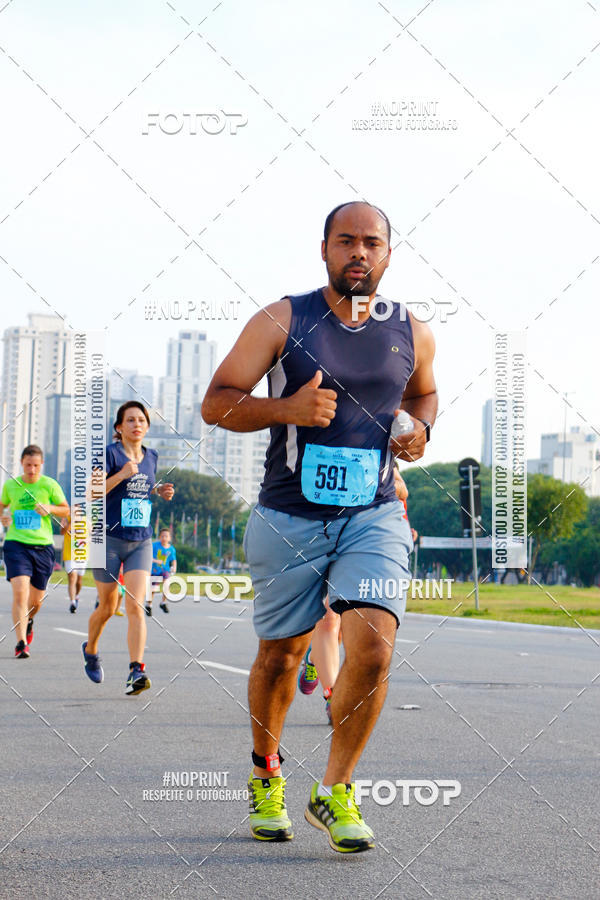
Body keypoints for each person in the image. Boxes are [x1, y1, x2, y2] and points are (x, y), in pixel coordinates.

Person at [202, 201, 437, 852]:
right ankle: (265, 774)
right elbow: (216, 403)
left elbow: (423, 394)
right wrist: (287, 408)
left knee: (375, 647)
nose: (359, 252)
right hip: (289, 517)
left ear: (387, 253)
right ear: (325, 249)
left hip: (374, 512)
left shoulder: (412, 330)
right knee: (282, 657)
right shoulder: (283, 319)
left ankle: (335, 790)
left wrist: (419, 428)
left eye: (371, 242)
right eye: (346, 240)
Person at [298, 467, 410, 725]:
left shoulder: (375, 451)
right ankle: (333, 698)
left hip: (364, 541)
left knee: (343, 621)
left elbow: (401, 490)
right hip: (320, 531)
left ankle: (314, 656)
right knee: (328, 619)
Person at [82, 401, 174, 694]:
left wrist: (159, 490)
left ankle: (136, 670)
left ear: (147, 427)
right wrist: (121, 474)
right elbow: (91, 492)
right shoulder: (109, 454)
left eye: (141, 420)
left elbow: (143, 487)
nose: (137, 424)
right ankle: (91, 649)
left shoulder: (152, 456)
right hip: (107, 540)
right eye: (130, 420)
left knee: (135, 605)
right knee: (108, 607)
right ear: (119, 427)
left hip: (140, 541)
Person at [0, 445, 69, 658]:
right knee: (20, 592)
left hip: (43, 547)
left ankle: (29, 620)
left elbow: (66, 510)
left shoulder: (49, 485)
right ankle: (21, 643)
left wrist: (51, 508)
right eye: (28, 465)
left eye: (36, 466)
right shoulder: (11, 485)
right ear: (21, 463)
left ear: (41, 465)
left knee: (35, 601)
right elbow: (1, 506)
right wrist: (3, 517)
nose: (32, 470)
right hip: (16, 544)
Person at [60, 506, 86, 613]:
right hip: (69, 554)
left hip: (81, 554)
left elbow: (93, 535)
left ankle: (77, 595)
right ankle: (72, 603)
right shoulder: (66, 520)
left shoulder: (86, 521)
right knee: (72, 577)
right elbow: (62, 532)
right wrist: (71, 522)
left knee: (79, 581)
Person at [147, 527, 177, 615]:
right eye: (162, 536)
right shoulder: (154, 545)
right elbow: (148, 556)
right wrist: (156, 561)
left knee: (167, 584)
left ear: (169, 538)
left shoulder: (171, 549)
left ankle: (163, 602)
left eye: (166, 536)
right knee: (153, 589)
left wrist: (174, 567)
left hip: (165, 570)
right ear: (159, 537)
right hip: (154, 570)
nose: (164, 538)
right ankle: (149, 605)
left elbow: (173, 560)